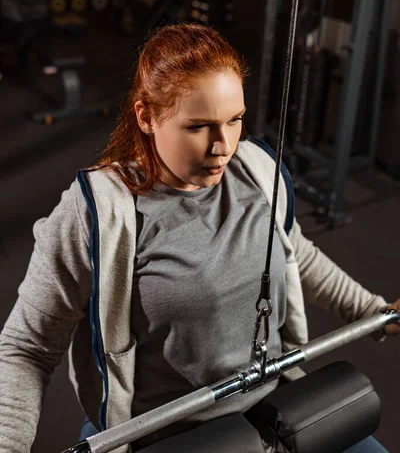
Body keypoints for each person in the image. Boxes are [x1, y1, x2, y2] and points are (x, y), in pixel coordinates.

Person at [0, 23, 398, 453]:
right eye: (199, 127)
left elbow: (294, 253)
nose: (223, 145)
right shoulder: (98, 214)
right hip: (171, 435)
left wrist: (374, 311)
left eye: (235, 120)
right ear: (146, 117)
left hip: (282, 405)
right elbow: (27, 348)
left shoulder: (258, 171)